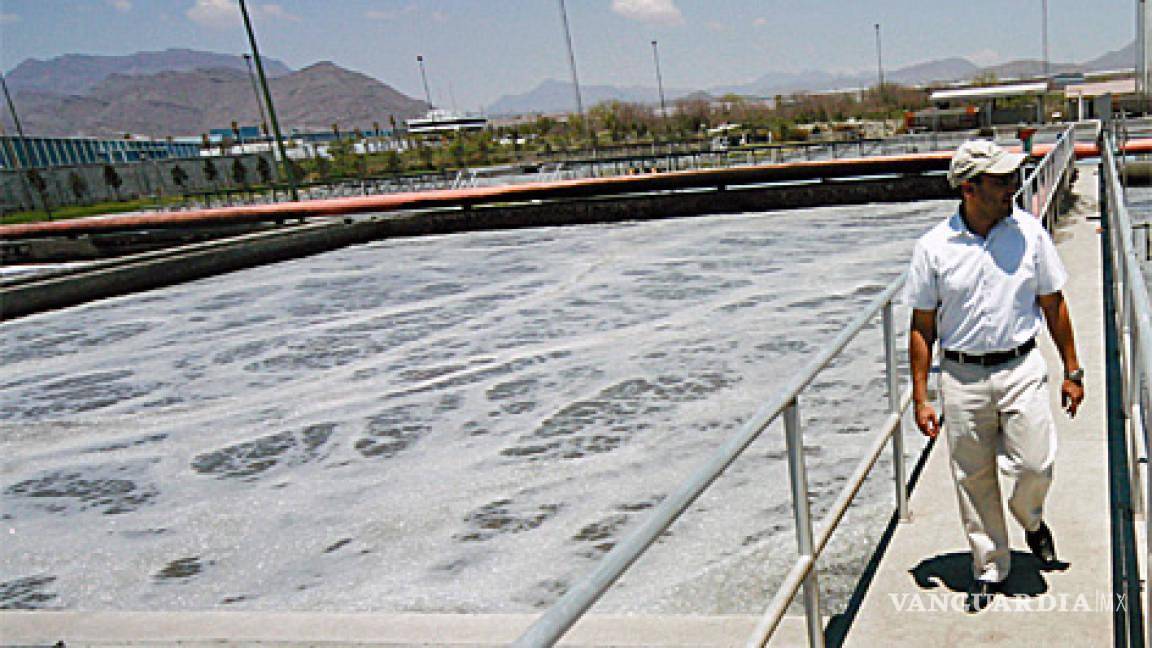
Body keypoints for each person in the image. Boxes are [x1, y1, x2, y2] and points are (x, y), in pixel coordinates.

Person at [904, 139, 1085, 613]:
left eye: (1013, 178)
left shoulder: (1029, 234)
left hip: (1021, 366)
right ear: (969, 188)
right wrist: (922, 397)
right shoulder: (933, 248)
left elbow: (1053, 303)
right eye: (1002, 180)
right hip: (961, 376)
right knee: (974, 476)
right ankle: (989, 566)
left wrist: (1073, 369)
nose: (1013, 187)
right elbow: (922, 325)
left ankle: (1031, 518)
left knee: (1035, 465)